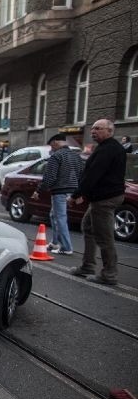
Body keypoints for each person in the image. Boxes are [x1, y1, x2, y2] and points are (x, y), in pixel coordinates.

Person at [70, 119, 126, 285]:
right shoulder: (106, 147)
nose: (93, 131)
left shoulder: (108, 149)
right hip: (102, 197)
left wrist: (76, 195)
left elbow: (93, 175)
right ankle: (87, 265)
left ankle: (109, 274)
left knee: (104, 237)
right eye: (93, 128)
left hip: (105, 199)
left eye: (98, 129)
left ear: (109, 131)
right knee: (88, 227)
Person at [31, 133, 83, 255]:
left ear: (55, 143)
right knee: (54, 216)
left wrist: (38, 190)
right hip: (72, 190)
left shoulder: (56, 156)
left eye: (51, 146)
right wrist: (79, 193)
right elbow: (82, 175)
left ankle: (66, 247)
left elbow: (50, 177)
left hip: (60, 191)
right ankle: (55, 242)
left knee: (60, 218)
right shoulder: (76, 156)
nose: (51, 149)